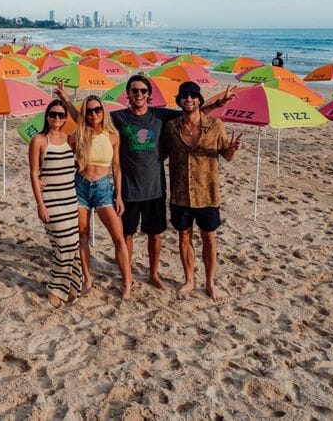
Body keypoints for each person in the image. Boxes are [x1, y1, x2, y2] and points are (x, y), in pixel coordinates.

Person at [57, 76, 230, 290]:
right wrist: (65, 99)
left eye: (142, 91)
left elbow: (192, 112)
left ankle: (154, 274)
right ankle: (127, 275)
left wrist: (217, 104)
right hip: (129, 189)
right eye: (134, 90)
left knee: (155, 235)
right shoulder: (118, 118)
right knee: (126, 235)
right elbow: (88, 120)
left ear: (149, 95)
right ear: (128, 94)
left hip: (155, 187)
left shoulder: (160, 115)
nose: (139, 94)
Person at [163, 82, 241, 300]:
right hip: (180, 193)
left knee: (209, 237)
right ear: (179, 100)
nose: (189, 99)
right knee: (184, 235)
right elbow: (161, 154)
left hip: (207, 192)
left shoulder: (215, 125)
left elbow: (226, 154)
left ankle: (209, 282)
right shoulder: (171, 127)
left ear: (199, 99)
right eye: (185, 96)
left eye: (193, 96)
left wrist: (232, 149)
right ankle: (189, 280)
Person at [68, 95, 132, 299]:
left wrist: (119, 196)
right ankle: (88, 278)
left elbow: (117, 167)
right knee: (83, 236)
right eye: (89, 111)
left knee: (119, 238)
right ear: (84, 114)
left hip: (104, 189)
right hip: (81, 188)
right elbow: (66, 156)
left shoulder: (112, 135)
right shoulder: (78, 135)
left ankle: (127, 282)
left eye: (97, 110)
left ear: (103, 112)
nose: (94, 114)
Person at [28, 100, 83, 307]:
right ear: (47, 115)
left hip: (70, 198)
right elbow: (34, 172)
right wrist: (39, 203)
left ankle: (71, 285)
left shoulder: (70, 139)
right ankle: (55, 287)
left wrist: (66, 98)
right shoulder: (39, 140)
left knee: (73, 245)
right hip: (51, 199)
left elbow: (86, 126)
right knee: (64, 244)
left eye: (61, 115)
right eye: (53, 114)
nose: (57, 118)